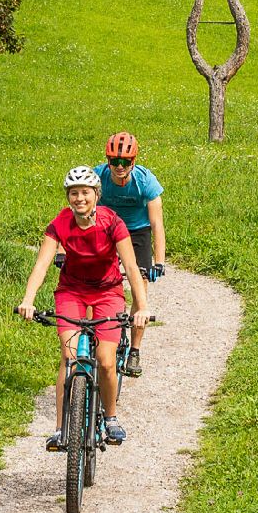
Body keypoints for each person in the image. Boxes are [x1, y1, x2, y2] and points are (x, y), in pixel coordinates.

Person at [15, 165, 149, 449]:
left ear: (96, 194)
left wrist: (141, 308)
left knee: (106, 359)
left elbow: (132, 268)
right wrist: (28, 299)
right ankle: (62, 428)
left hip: (108, 293)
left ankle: (111, 418)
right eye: (73, 193)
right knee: (69, 356)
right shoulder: (60, 224)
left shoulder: (113, 223)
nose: (79, 198)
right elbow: (41, 265)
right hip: (71, 292)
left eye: (85, 192)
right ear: (68, 197)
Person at [94, 131, 166, 376]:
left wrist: (159, 261)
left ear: (133, 161)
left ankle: (134, 350)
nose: (119, 167)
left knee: (140, 287)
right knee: (97, 281)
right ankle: (97, 335)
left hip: (137, 232)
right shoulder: (98, 177)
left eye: (125, 162)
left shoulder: (146, 182)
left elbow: (157, 224)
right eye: (114, 161)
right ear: (107, 160)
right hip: (107, 229)